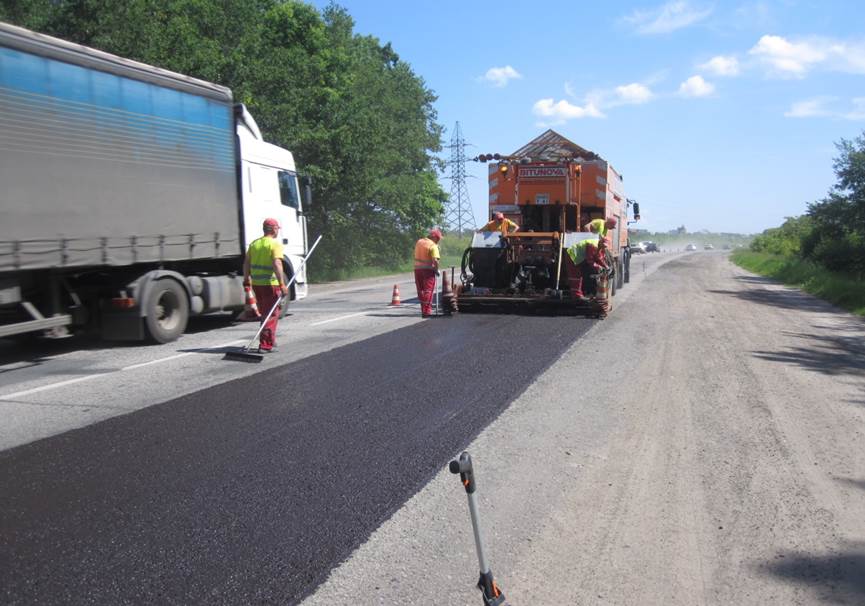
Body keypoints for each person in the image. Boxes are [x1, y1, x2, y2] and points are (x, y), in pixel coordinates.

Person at [242, 218, 289, 353]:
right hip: (270, 284)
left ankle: (271, 340)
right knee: (271, 314)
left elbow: (246, 263)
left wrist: (246, 279)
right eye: (277, 228)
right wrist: (282, 284)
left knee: (265, 313)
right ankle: (265, 345)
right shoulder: (274, 244)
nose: (278, 231)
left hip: (257, 284)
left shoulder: (254, 244)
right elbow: (277, 264)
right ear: (273, 229)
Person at [414, 228, 442, 318]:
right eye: (438, 238)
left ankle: (423, 310)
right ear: (434, 237)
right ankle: (427, 312)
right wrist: (436, 269)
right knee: (428, 291)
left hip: (417, 270)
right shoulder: (433, 246)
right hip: (428, 271)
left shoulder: (419, 242)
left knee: (421, 291)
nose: (439, 240)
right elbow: (435, 261)